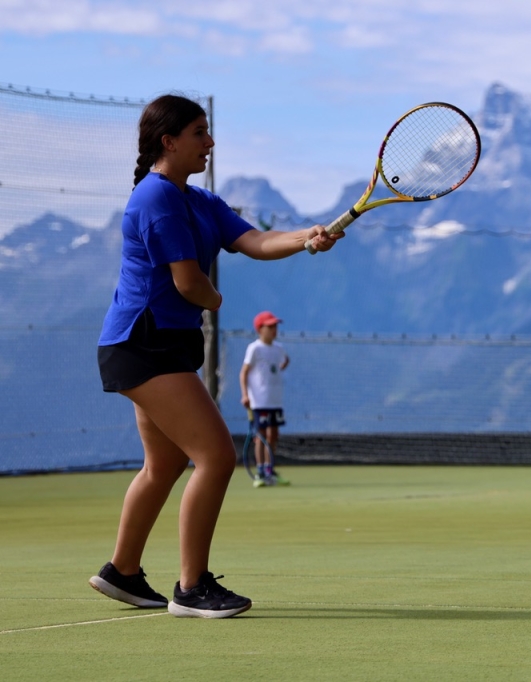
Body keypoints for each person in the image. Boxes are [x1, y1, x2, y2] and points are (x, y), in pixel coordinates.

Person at [88, 94, 341, 618]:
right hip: (144, 345)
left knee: (165, 464)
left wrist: (306, 237)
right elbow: (188, 284)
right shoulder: (155, 197)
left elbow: (254, 239)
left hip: (155, 345)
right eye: (200, 133)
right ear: (169, 141)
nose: (211, 142)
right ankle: (192, 587)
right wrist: (216, 299)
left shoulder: (199, 201)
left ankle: (123, 572)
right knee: (218, 456)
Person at [240, 310, 290, 487]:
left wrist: (283, 364)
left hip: (275, 401)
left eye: (275, 326)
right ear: (260, 329)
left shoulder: (279, 348)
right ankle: (260, 472)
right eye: (270, 326)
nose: (274, 329)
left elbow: (282, 362)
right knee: (260, 436)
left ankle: (270, 470)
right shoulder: (254, 348)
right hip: (259, 402)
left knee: (273, 435)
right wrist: (245, 394)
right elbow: (244, 372)